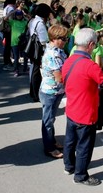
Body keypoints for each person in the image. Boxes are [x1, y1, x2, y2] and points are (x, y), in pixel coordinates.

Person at [62, 28, 103, 186]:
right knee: (84, 146)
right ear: (91, 44)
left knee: (70, 140)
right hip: (86, 112)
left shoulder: (68, 60)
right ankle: (80, 175)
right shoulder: (90, 66)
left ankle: (69, 165)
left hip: (72, 108)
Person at [39, 24, 68, 158]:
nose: (65, 41)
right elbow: (59, 77)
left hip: (56, 91)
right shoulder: (52, 54)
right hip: (50, 92)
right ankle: (49, 147)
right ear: (54, 38)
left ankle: (52, 141)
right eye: (63, 38)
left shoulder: (58, 50)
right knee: (48, 121)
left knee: (51, 119)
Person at [28, 3, 53, 102]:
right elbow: (44, 40)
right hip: (38, 51)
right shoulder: (40, 24)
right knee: (37, 73)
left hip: (33, 49)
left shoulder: (33, 20)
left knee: (34, 70)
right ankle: (36, 94)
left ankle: (32, 92)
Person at [4, 10, 28, 77]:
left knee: (25, 56)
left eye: (20, 15)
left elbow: (30, 20)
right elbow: (5, 19)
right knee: (16, 57)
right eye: (17, 15)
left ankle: (25, 69)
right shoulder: (13, 22)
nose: (19, 16)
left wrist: (25, 14)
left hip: (22, 42)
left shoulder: (24, 22)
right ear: (15, 16)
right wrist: (11, 13)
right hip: (14, 41)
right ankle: (16, 70)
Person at [2, 0, 17, 70]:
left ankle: (7, 61)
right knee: (8, 46)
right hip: (9, 29)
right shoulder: (11, 8)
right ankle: (7, 62)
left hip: (5, 29)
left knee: (6, 46)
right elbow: (10, 19)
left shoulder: (6, 7)